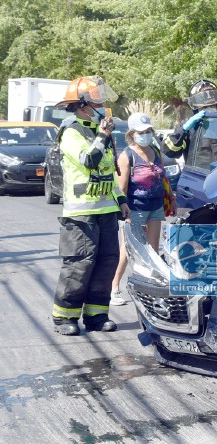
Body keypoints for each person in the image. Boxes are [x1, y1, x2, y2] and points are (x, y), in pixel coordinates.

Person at [50, 76, 130, 335]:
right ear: (83, 105)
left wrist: (121, 200)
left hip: (106, 211)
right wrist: (104, 135)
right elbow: (90, 160)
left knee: (107, 262)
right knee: (79, 264)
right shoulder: (71, 131)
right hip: (81, 213)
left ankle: (96, 316)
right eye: (97, 100)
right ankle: (65, 317)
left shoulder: (99, 132)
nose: (103, 105)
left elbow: (107, 172)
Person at [111, 113, 176, 305]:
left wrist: (171, 198)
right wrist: (125, 214)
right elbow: (121, 188)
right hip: (135, 208)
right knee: (128, 250)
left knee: (153, 251)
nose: (145, 135)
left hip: (155, 206)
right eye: (141, 132)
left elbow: (164, 179)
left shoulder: (155, 151)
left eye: (148, 131)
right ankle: (114, 287)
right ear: (132, 133)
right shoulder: (126, 156)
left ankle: (151, 289)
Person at [163, 79, 217, 161]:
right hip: (198, 173)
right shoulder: (189, 128)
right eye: (205, 106)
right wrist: (183, 130)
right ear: (196, 107)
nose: (209, 108)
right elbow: (169, 152)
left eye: (212, 105)